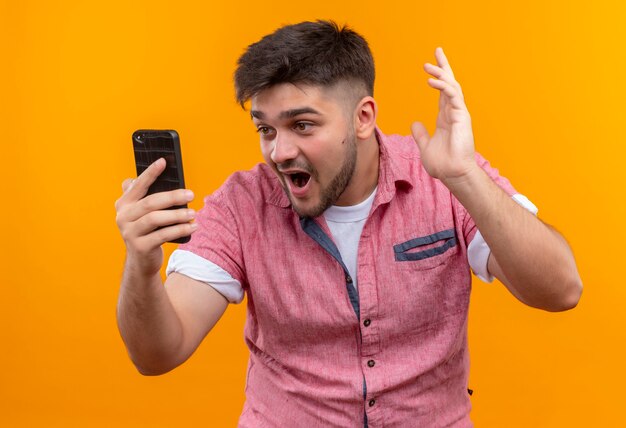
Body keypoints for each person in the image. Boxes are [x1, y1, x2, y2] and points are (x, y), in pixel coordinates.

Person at [115, 20, 582, 427]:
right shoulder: (241, 204)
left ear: (363, 117)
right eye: (265, 129)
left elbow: (560, 290)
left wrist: (465, 178)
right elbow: (158, 354)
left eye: (302, 125)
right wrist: (140, 264)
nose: (279, 152)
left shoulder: (443, 176)